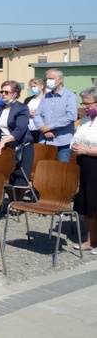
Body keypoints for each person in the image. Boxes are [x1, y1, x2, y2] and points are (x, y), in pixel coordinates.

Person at [0, 80, 34, 200]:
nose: (3, 94)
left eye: (6, 92)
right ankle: (10, 200)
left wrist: (3, 142)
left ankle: (17, 203)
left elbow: (19, 130)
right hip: (3, 147)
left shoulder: (22, 108)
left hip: (21, 146)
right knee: (5, 176)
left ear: (15, 93)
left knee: (19, 178)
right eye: (2, 91)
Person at [71, 86, 97, 253]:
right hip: (83, 165)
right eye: (83, 103)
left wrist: (86, 150)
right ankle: (91, 240)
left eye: (88, 104)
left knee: (95, 204)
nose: (85, 107)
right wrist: (76, 148)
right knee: (86, 204)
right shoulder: (86, 120)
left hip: (95, 164)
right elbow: (76, 138)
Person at [33, 68, 78, 162]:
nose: (48, 81)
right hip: (45, 141)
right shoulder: (46, 96)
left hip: (62, 142)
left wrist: (49, 127)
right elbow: (37, 115)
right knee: (44, 170)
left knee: (61, 172)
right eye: (47, 79)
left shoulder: (70, 96)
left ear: (60, 79)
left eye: (51, 78)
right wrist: (43, 129)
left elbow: (71, 116)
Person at [23, 77, 45, 144]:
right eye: (31, 87)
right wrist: (28, 113)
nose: (33, 88)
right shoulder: (28, 99)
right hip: (29, 128)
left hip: (40, 129)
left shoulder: (46, 99)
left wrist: (37, 113)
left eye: (34, 86)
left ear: (41, 86)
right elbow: (23, 111)